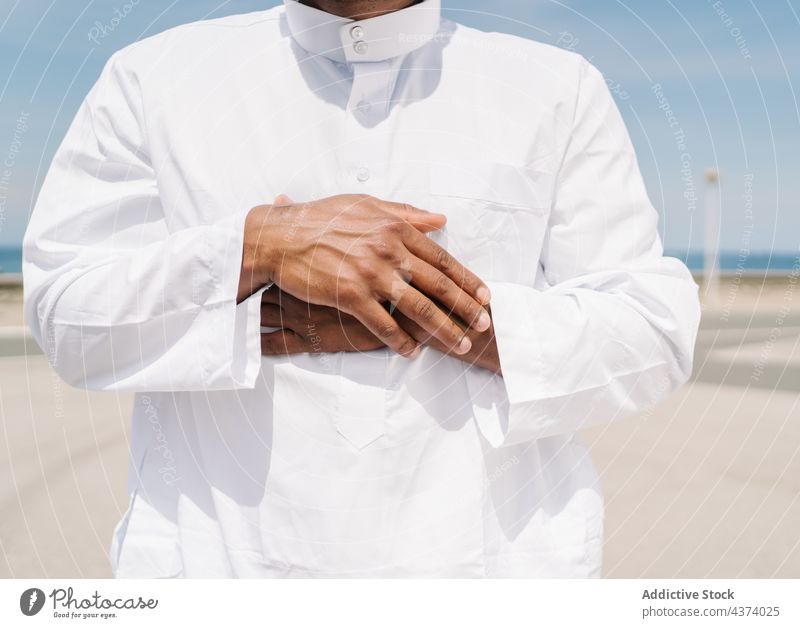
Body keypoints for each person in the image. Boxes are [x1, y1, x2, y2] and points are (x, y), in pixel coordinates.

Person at [23, 0, 701, 577]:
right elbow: (67, 317)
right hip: (214, 573)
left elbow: (653, 331)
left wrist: (438, 317)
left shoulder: (555, 87)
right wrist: (261, 244)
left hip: (498, 576)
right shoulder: (152, 78)